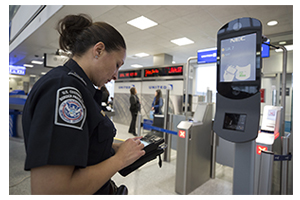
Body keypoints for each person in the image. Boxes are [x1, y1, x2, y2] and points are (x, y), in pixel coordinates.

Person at [22, 14, 145, 195]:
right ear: (99, 50)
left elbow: (79, 142)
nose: (116, 75)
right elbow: (50, 191)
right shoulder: (64, 90)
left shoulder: (80, 88)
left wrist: (111, 148)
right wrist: (119, 159)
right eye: (117, 64)